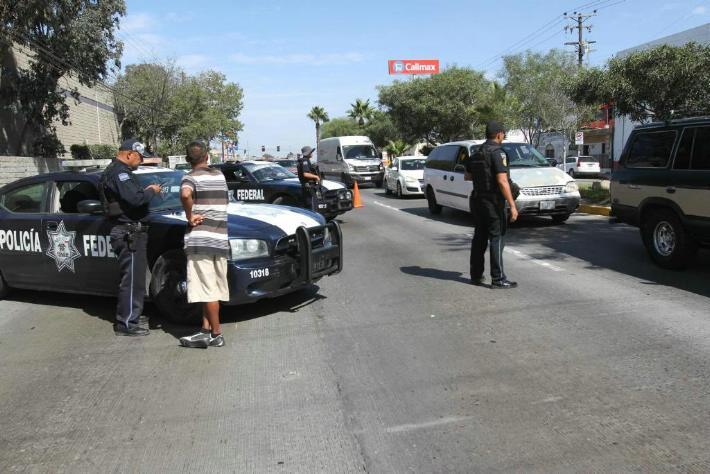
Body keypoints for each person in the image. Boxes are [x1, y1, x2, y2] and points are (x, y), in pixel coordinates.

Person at [100, 139, 161, 336]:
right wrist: (151, 190)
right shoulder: (120, 173)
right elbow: (136, 199)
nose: (141, 161)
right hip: (128, 232)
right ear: (129, 154)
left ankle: (132, 315)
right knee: (132, 280)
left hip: (130, 231)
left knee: (135, 279)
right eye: (140, 157)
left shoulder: (117, 171)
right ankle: (126, 323)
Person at [178, 140, 230, 349]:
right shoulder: (219, 176)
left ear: (188, 160)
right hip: (220, 239)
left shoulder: (189, 177)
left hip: (201, 241)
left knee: (207, 290)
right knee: (213, 287)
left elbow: (185, 194)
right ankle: (205, 330)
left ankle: (216, 334)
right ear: (207, 156)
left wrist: (189, 215)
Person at [466, 121, 519, 289]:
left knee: (479, 238)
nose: (503, 137)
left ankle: (476, 275)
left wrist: (483, 176)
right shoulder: (498, 153)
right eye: (503, 134)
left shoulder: (476, 153)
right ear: (499, 134)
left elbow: (467, 176)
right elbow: (502, 181)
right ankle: (498, 279)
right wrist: (512, 205)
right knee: (497, 238)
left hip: (477, 200)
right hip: (493, 202)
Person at [297, 146, 322, 210]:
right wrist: (316, 177)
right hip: (309, 186)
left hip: (308, 186)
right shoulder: (305, 161)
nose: (312, 153)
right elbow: (305, 174)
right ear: (308, 153)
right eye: (311, 152)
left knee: (309, 205)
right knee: (312, 206)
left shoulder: (305, 160)